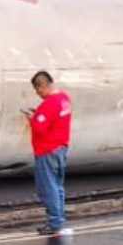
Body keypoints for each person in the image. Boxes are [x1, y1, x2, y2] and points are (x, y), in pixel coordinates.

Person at [25, 70, 73, 235]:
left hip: (47, 150)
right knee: (58, 185)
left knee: (48, 187)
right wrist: (38, 114)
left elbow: (40, 128)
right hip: (61, 148)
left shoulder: (49, 104)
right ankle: (59, 218)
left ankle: (54, 222)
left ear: (42, 86)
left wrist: (32, 118)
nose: (38, 94)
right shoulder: (64, 99)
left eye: (37, 90)